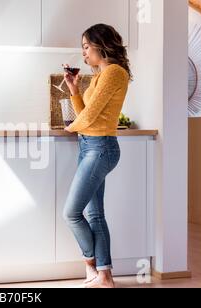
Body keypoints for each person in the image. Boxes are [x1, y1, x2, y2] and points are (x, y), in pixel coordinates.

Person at [62, 23, 133, 288]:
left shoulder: (115, 72)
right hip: (89, 146)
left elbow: (88, 118)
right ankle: (105, 277)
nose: (83, 53)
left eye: (85, 46)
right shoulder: (99, 75)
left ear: (100, 44)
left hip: (100, 148)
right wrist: (73, 89)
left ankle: (91, 266)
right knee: (95, 215)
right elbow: (85, 113)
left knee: (71, 213)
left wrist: (69, 127)